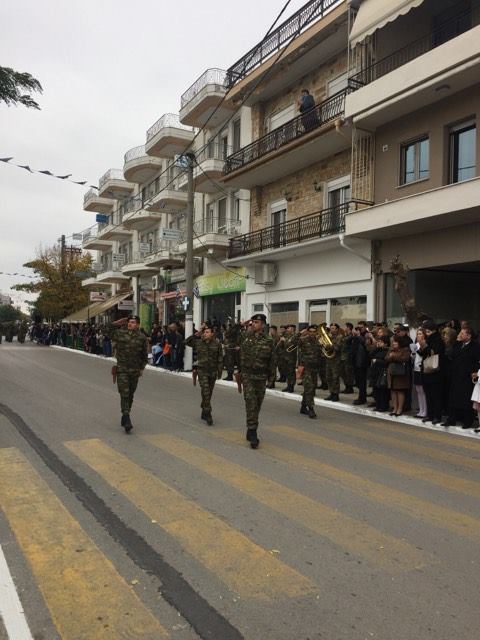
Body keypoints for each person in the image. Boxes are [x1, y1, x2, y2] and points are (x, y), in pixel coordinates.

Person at [239, 314, 276, 449]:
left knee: (258, 404)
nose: (253, 324)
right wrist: (242, 325)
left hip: (261, 377)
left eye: (256, 322)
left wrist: (272, 378)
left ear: (263, 325)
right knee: (251, 403)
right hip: (248, 376)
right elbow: (230, 335)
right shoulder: (245, 337)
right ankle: (253, 431)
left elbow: (272, 360)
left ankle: (250, 427)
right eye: (253, 322)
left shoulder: (269, 340)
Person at [110, 315, 148, 433]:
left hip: (135, 371)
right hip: (122, 369)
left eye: (133, 322)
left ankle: (126, 414)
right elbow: (105, 330)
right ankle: (126, 417)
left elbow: (144, 355)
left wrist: (142, 368)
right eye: (129, 322)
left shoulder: (142, 337)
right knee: (124, 393)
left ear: (138, 324)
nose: (130, 324)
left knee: (131, 393)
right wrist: (116, 323)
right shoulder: (121, 334)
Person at [441, 327, 480, 429]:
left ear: (469, 335)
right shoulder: (458, 344)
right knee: (453, 398)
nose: (460, 335)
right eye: (460, 333)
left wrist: (476, 372)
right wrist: (457, 342)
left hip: (467, 376)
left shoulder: (475, 346)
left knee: (466, 400)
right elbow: (450, 354)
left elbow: (477, 360)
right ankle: (452, 419)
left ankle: (467, 421)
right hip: (456, 375)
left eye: (462, 334)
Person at [185, 325, 223, 426]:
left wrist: (219, 371)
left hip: (213, 371)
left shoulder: (217, 344)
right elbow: (186, 342)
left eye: (207, 332)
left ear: (212, 334)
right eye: (204, 332)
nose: (205, 334)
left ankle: (204, 409)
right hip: (202, 371)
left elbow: (220, 358)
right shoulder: (199, 343)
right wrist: (197, 333)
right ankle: (208, 414)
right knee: (205, 391)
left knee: (208, 393)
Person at [418, 319, 445, 425]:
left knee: (436, 394)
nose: (426, 332)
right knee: (428, 394)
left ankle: (436, 416)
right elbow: (423, 352)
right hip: (427, 369)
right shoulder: (428, 339)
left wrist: (425, 345)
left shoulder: (438, 339)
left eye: (426, 330)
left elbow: (435, 351)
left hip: (435, 370)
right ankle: (430, 414)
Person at [297, 324, 321, 418]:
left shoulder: (318, 341)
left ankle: (303, 407)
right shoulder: (303, 340)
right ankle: (311, 409)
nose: (311, 333)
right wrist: (299, 333)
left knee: (311, 388)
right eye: (310, 331)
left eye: (313, 332)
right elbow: (292, 343)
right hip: (305, 368)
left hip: (314, 368)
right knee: (309, 388)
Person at [385, 336, 411, 416]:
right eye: (393, 342)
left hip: (400, 373)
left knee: (399, 391)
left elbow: (405, 358)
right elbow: (386, 358)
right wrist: (392, 356)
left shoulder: (405, 349)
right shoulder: (390, 349)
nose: (393, 343)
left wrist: (394, 356)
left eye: (395, 342)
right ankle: (394, 408)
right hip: (391, 373)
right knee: (393, 391)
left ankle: (399, 409)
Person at [369, 335, 390, 412]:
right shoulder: (378, 350)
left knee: (382, 390)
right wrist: (377, 347)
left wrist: (377, 361)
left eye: (381, 342)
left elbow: (387, 362)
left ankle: (383, 406)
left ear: (386, 343)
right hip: (375, 372)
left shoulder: (388, 351)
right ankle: (378, 405)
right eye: (379, 341)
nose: (379, 343)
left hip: (382, 372)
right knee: (376, 390)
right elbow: (371, 354)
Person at [412, 329, 428, 419]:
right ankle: (421, 410)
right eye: (417, 334)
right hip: (416, 368)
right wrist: (413, 353)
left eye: (420, 334)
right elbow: (414, 357)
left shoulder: (425, 344)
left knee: (423, 391)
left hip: (423, 369)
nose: (418, 335)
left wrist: (417, 350)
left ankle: (425, 411)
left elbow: (423, 354)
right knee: (418, 390)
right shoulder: (416, 345)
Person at [325, 323, 343, 402]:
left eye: (333, 328)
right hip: (329, 359)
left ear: (337, 329)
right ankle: (331, 392)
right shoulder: (328, 336)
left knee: (335, 378)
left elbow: (338, 348)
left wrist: (330, 345)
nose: (331, 330)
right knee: (328, 377)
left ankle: (336, 394)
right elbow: (324, 346)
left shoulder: (340, 337)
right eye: (331, 328)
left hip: (336, 360)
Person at [280, 324, 298, 393]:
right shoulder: (287, 336)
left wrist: (285, 341)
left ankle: (291, 386)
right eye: (287, 328)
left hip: (291, 358)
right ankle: (288, 385)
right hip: (285, 357)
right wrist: (282, 341)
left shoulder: (295, 336)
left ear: (293, 329)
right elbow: (283, 346)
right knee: (287, 372)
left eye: (289, 328)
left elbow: (291, 345)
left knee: (291, 372)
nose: (287, 329)